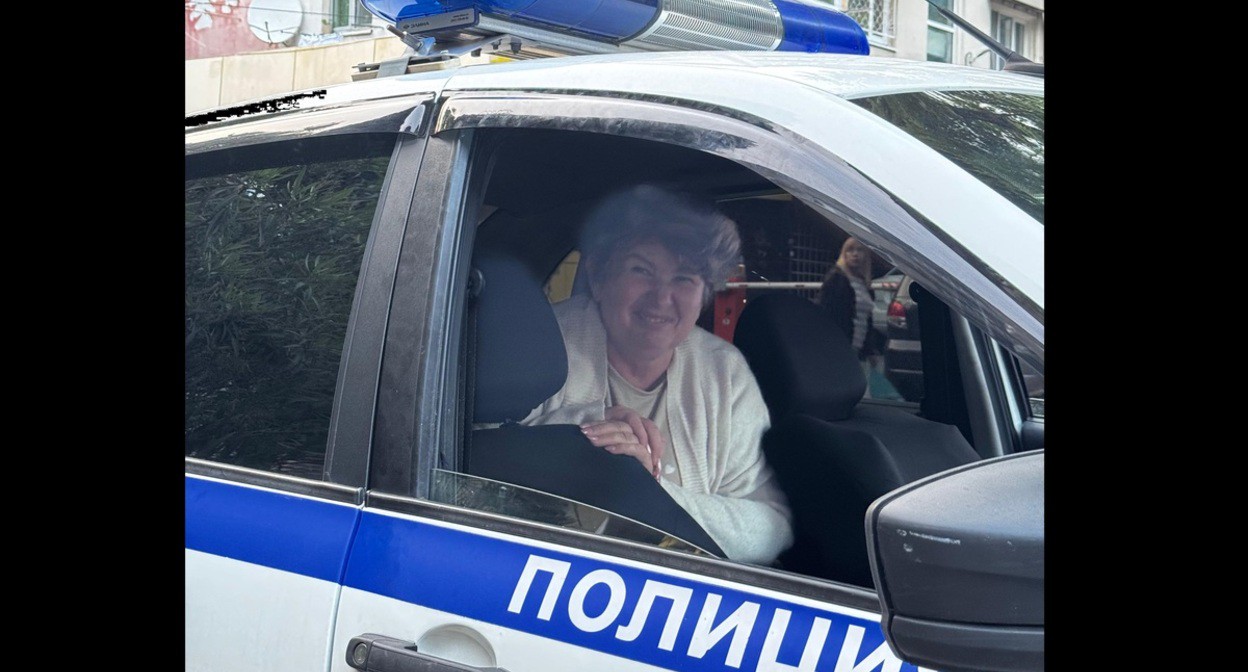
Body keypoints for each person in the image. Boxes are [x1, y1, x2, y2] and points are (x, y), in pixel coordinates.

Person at [521, 184, 793, 565]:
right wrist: (584, 442)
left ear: (704, 294)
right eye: (641, 270)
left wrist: (647, 490)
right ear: (599, 277)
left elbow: (769, 528)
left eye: (684, 278)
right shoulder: (539, 344)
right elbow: (483, 481)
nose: (662, 298)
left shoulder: (724, 373)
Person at [817, 237, 899, 400]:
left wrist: (870, 350)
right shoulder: (836, 279)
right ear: (844, 254)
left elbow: (866, 321)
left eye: (859, 250)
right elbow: (827, 314)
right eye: (850, 250)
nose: (855, 254)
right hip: (840, 348)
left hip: (857, 350)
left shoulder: (863, 284)